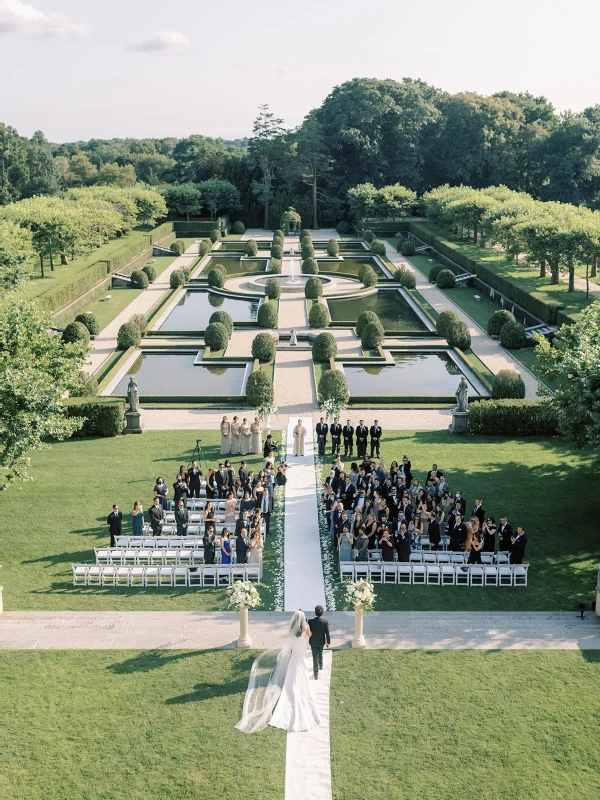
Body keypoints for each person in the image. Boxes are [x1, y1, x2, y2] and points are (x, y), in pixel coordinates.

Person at [235, 610, 321, 733]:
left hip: (295, 651)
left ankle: (292, 681)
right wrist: (307, 626)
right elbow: (310, 635)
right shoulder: (305, 626)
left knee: (294, 667)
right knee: (301, 666)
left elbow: (289, 639)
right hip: (302, 651)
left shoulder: (292, 627)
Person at [308, 605, 330, 681]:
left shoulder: (310, 621)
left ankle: (315, 674)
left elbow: (309, 631)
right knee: (320, 653)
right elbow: (327, 633)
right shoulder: (325, 622)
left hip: (313, 641)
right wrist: (328, 642)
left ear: (315, 612)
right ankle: (320, 665)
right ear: (322, 613)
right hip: (321, 641)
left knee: (314, 657)